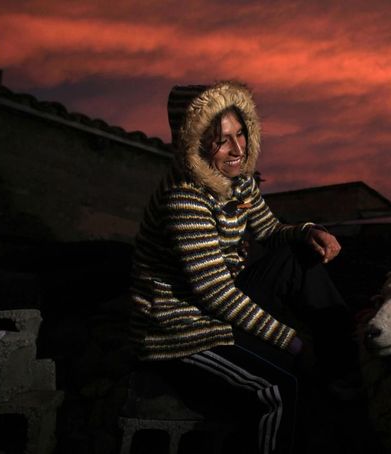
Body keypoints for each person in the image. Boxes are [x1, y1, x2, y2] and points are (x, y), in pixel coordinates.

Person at [128, 81, 352, 454]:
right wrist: (288, 338)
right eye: (220, 140)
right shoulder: (184, 199)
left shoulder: (239, 181)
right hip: (180, 327)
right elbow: (214, 292)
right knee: (279, 388)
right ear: (194, 143)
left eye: (240, 134)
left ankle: (344, 364)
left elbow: (268, 230)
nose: (236, 149)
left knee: (299, 253)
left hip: (217, 306)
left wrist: (308, 231)